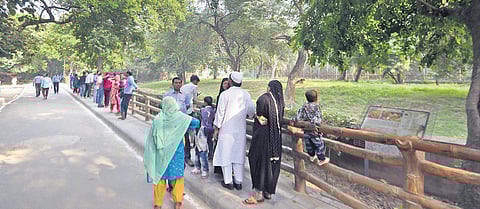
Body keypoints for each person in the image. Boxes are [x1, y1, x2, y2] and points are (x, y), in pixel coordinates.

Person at [144, 96, 200, 209]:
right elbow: (196, 123)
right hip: (176, 153)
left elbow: (151, 139)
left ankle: (158, 204)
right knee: (177, 178)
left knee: (160, 177)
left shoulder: (158, 119)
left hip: (161, 155)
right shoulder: (181, 118)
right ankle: (178, 202)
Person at [244, 80, 285, 204]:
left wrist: (257, 117)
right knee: (273, 163)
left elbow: (260, 116)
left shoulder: (263, 99)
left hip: (262, 136)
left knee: (258, 161)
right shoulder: (280, 102)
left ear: (269, 88)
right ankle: (268, 191)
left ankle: (258, 194)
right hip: (276, 137)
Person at [213, 72, 255, 190]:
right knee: (238, 153)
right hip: (240, 129)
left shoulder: (225, 94)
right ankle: (238, 181)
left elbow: (220, 113)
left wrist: (217, 128)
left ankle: (228, 181)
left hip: (226, 129)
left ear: (230, 81)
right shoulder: (246, 94)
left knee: (226, 153)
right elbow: (251, 112)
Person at [294, 90, 329, 165]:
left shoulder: (304, 106)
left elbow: (298, 115)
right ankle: (321, 159)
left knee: (308, 143)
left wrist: (295, 120)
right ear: (316, 98)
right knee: (319, 144)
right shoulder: (317, 106)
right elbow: (318, 118)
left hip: (306, 129)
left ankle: (311, 155)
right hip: (314, 129)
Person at [164, 77, 193, 167]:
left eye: (179, 83)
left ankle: (187, 157)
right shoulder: (167, 95)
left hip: (182, 120)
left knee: (186, 138)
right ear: (172, 84)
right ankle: (171, 157)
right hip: (172, 121)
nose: (177, 84)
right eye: (175, 83)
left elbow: (187, 105)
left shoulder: (186, 94)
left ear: (181, 84)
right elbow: (164, 107)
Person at [191, 96, 215, 178]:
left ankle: (203, 168)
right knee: (204, 147)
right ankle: (200, 167)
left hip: (203, 129)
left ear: (205, 102)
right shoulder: (213, 110)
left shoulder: (203, 110)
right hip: (210, 129)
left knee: (201, 149)